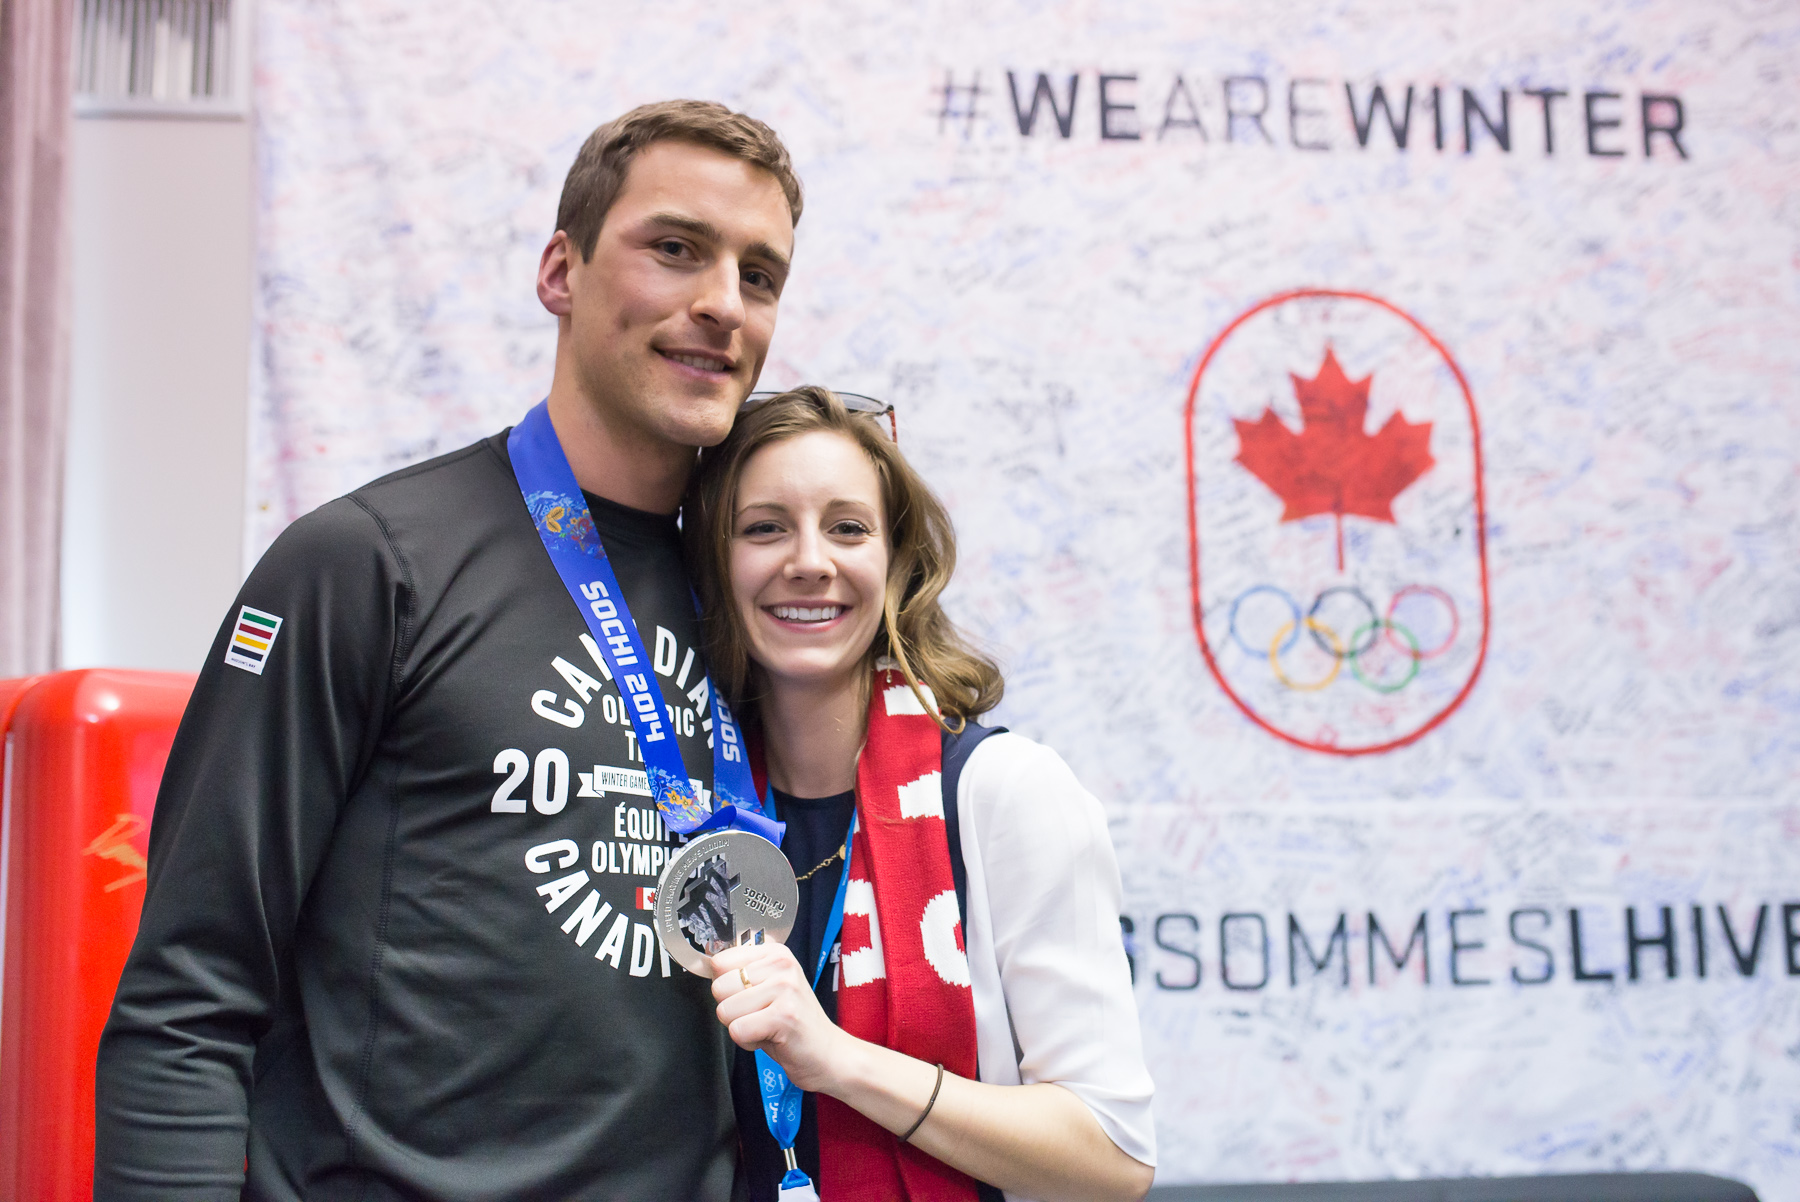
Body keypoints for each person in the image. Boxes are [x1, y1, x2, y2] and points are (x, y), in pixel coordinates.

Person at [95, 100, 802, 1200]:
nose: (721, 302)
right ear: (560, 272)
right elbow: (187, 995)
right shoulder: (368, 564)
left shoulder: (757, 601)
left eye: (758, 276)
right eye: (675, 249)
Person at [682, 387, 1156, 1202]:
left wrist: (839, 1061)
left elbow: (1111, 1159)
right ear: (712, 566)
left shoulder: (1005, 793)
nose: (810, 561)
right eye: (763, 528)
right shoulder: (691, 808)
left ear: (897, 563)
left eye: (847, 528)